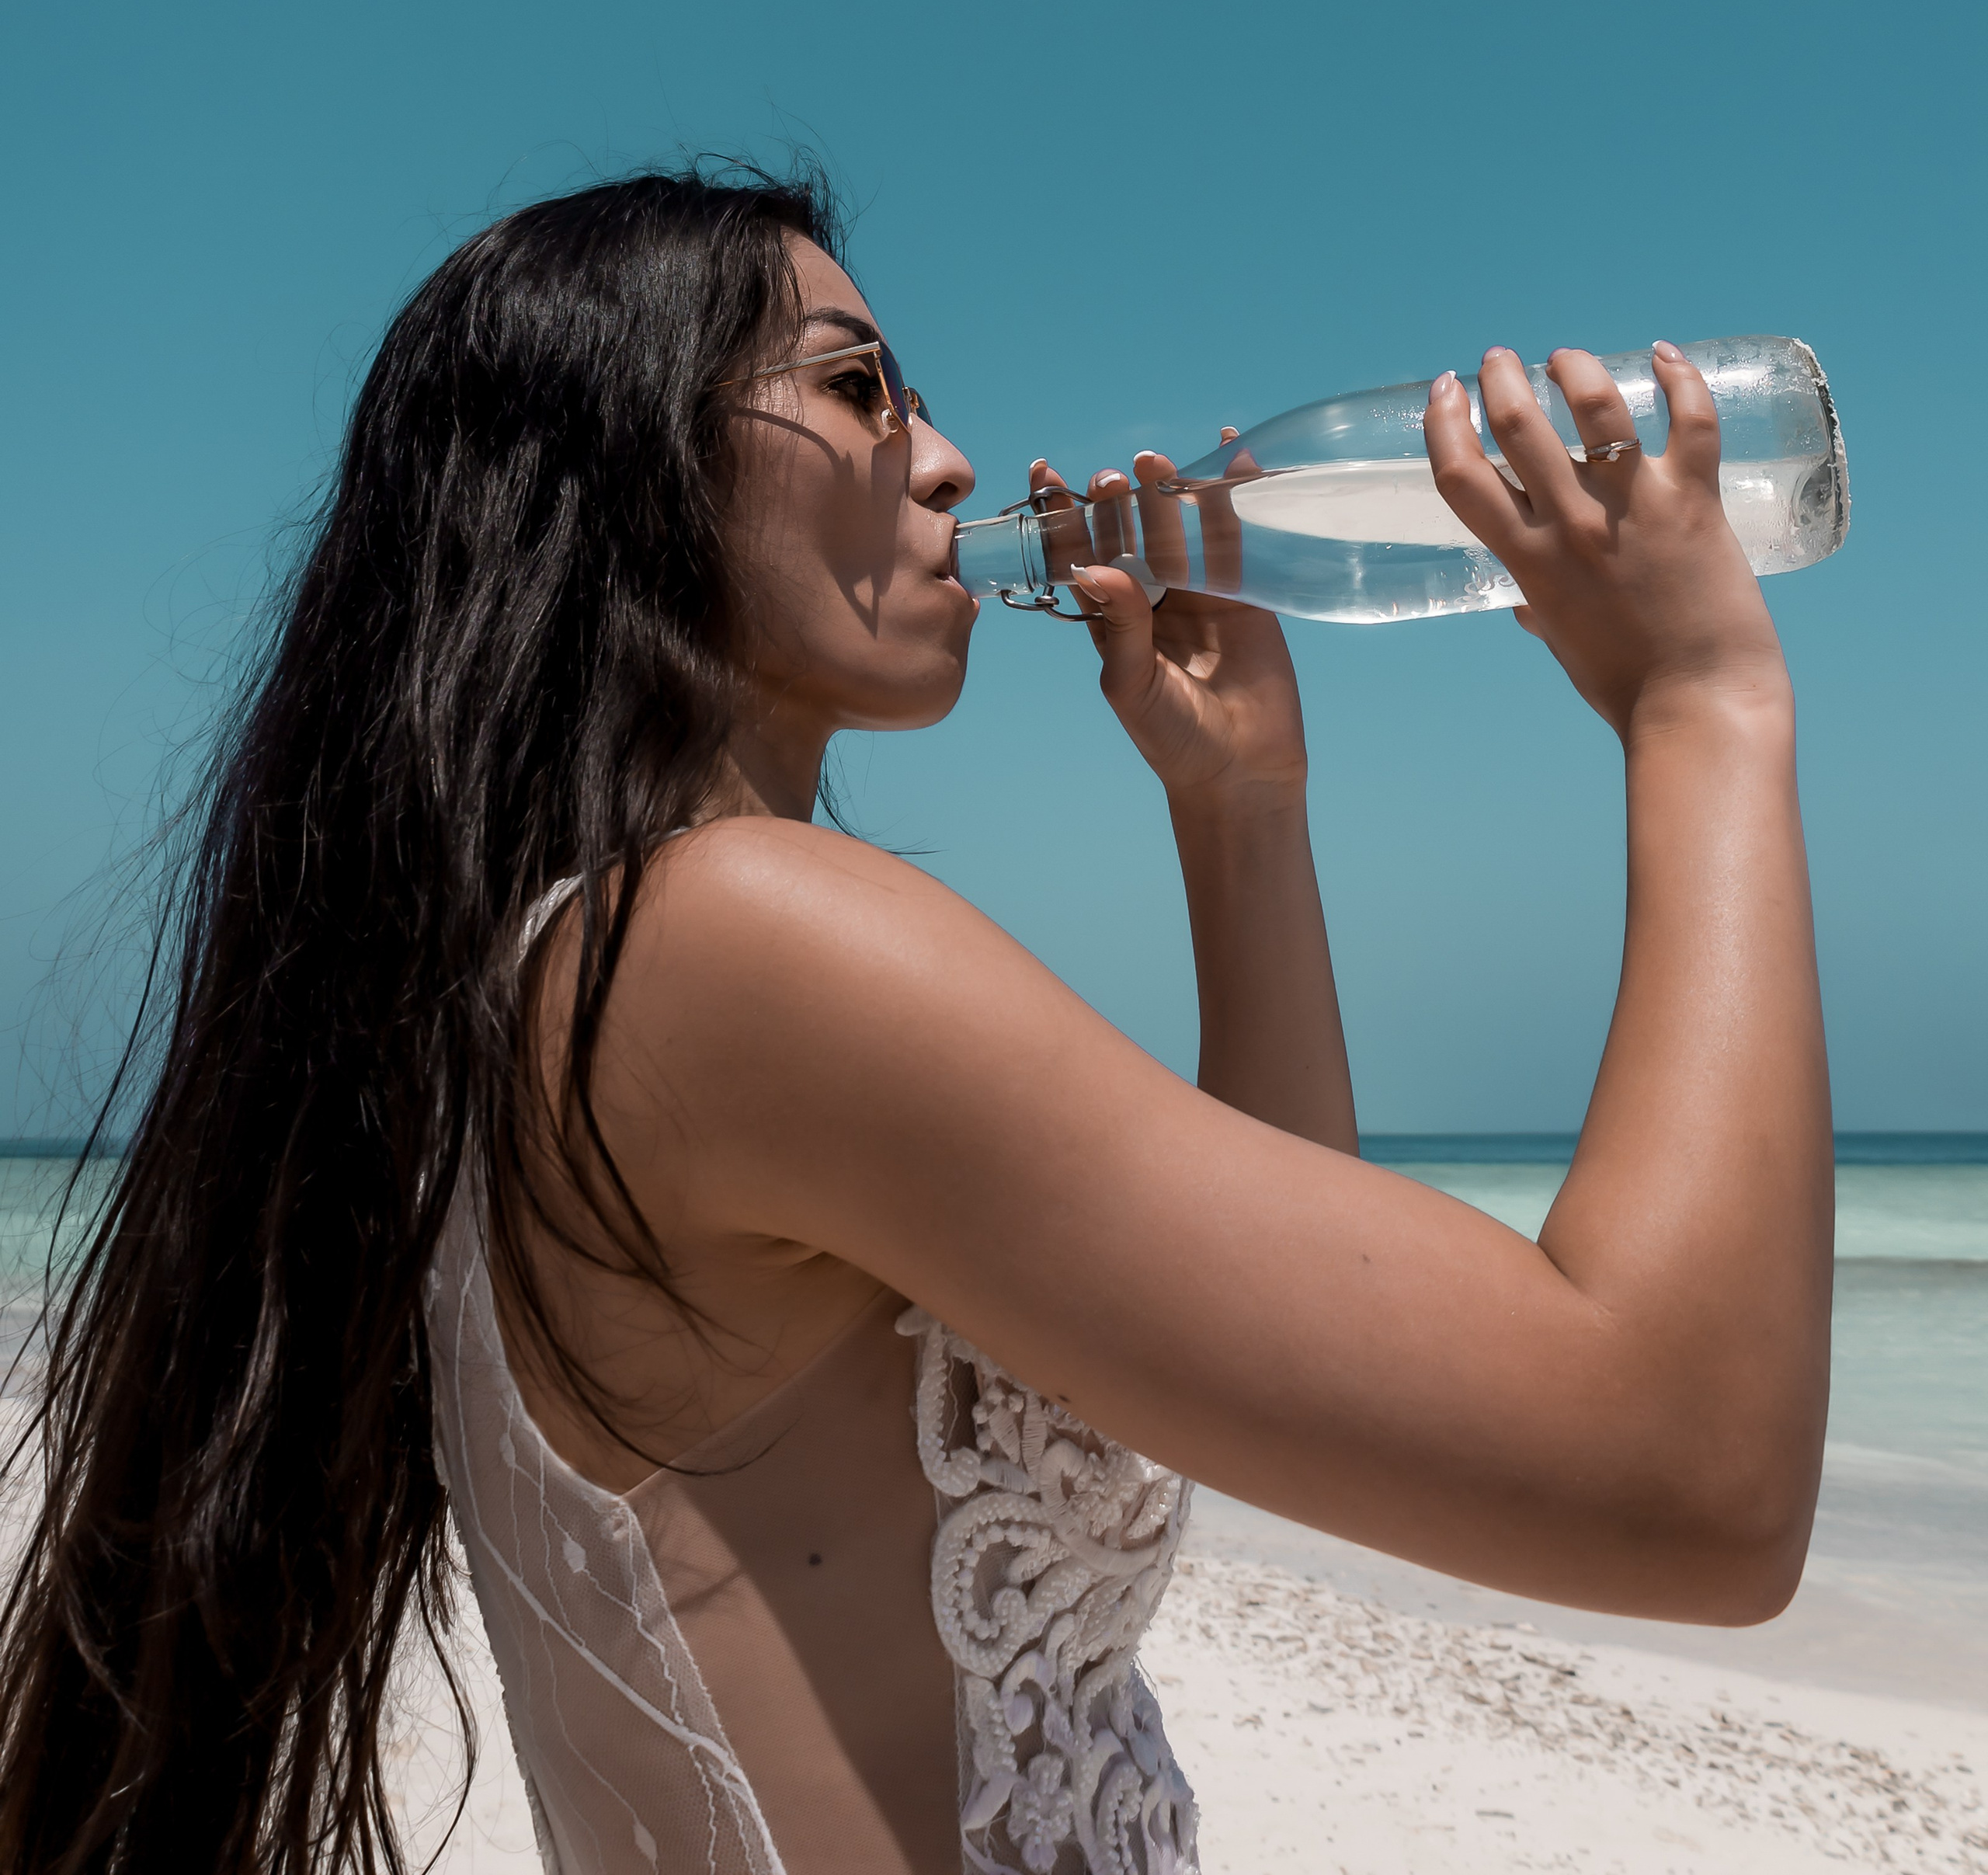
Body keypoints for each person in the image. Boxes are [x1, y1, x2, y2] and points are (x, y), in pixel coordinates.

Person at [0, 169, 1832, 1875]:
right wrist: (1701, 706)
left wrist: (1239, 819)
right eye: (858, 388)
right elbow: (1685, 1473)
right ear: (620, 456)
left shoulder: (582, 968)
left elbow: (1294, 1328)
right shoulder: (727, 943)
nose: (949, 461)